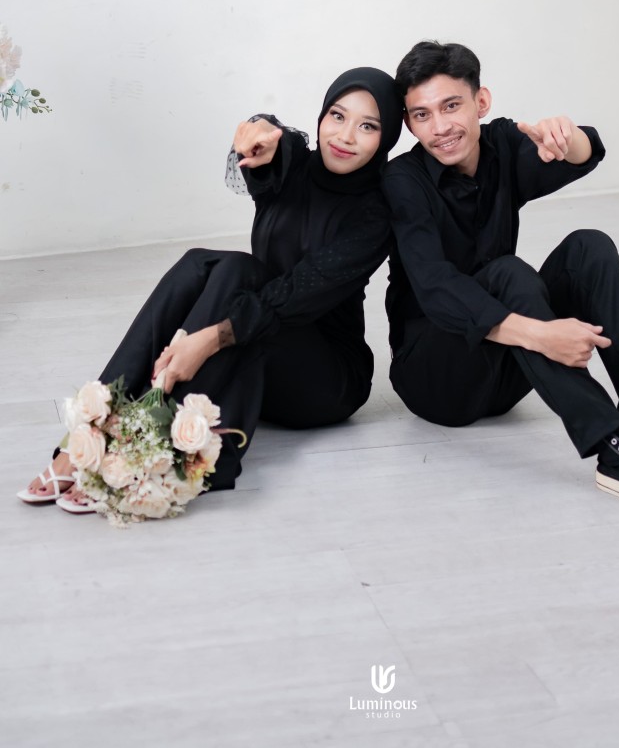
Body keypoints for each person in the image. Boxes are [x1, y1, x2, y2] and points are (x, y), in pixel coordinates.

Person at [18, 66, 402, 510]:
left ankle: (146, 446)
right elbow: (268, 138)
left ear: (386, 138)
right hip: (255, 342)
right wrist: (258, 133)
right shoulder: (295, 164)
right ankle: (92, 429)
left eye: (368, 126)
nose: (346, 135)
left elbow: (297, 293)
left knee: (244, 274)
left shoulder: (376, 213)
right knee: (207, 263)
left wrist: (206, 339)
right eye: (337, 115)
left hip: (321, 376)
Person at [382, 40, 619, 516]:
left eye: (451, 106)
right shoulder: (403, 179)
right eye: (422, 115)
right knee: (507, 272)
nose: (440, 127)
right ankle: (614, 448)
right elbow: (435, 288)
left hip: (506, 371)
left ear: (481, 102)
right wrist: (541, 335)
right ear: (409, 123)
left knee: (589, 247)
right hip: (437, 381)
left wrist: (569, 139)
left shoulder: (502, 143)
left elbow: (583, 153)